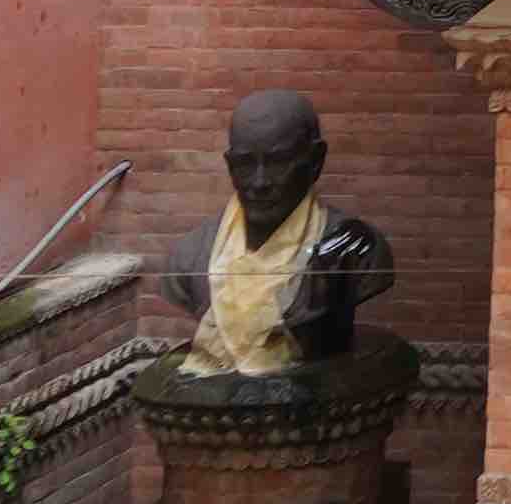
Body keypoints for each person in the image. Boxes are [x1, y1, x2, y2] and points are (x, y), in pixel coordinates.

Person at [161, 88, 396, 376]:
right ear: (229, 165)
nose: (259, 182)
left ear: (316, 161)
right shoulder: (190, 257)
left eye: (278, 162)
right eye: (245, 164)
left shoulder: (354, 251)